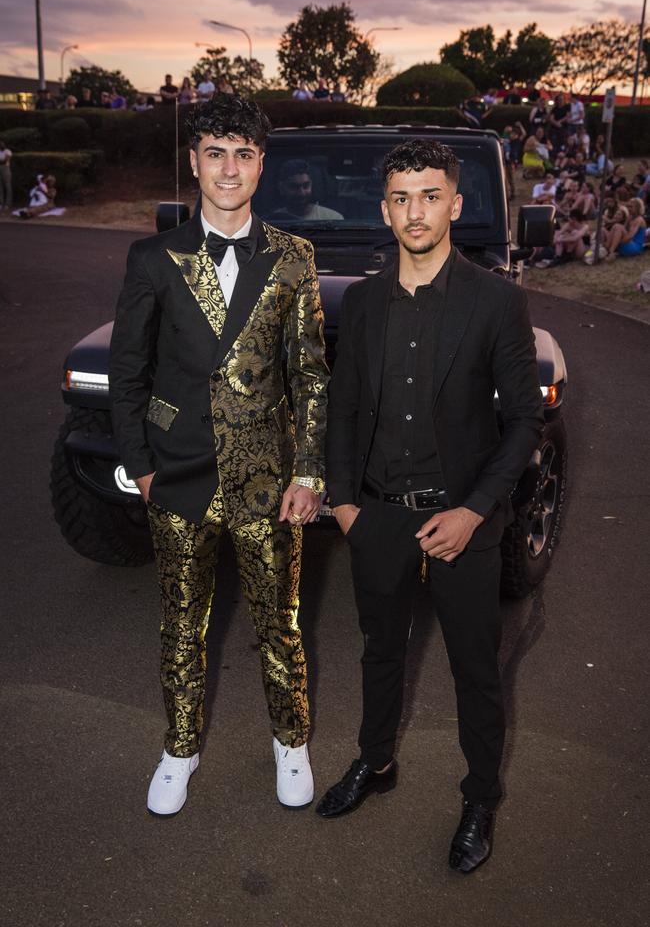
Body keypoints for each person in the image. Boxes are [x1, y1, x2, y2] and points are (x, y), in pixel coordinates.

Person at [316, 138, 544, 875]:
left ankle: (479, 796)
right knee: (380, 653)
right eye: (401, 197)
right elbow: (344, 411)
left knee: (475, 669)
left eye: (430, 195)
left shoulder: (498, 301)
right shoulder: (362, 300)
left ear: (456, 202)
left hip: (462, 522)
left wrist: (475, 512)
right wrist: (346, 506)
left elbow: (522, 425)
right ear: (385, 210)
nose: (416, 211)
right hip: (376, 517)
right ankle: (375, 763)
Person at [108, 93, 329, 818]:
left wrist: (309, 469)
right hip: (177, 470)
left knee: (280, 622)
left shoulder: (295, 256)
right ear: (194, 162)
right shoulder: (154, 257)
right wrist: (140, 462)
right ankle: (179, 747)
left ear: (262, 164)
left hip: (269, 476)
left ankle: (290, 741)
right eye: (215, 153)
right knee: (181, 623)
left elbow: (310, 374)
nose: (229, 168)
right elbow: (128, 374)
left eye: (243, 153)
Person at [273, 159, 343, 220]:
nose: (301, 193)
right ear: (281, 188)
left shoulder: (333, 218)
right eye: (294, 187)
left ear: (311, 185)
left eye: (306, 186)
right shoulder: (273, 221)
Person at [0, 140, 12, 211]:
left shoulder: (8, 151)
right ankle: (1, 203)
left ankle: (8, 204)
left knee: (7, 186)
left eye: (2, 144)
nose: (1, 145)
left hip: (5, 169)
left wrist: (2, 161)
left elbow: (5, 160)